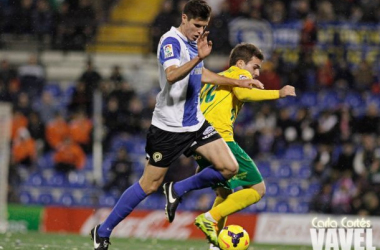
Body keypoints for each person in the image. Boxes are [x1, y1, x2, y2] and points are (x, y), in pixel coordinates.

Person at [90, 1, 263, 249]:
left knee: (229, 167)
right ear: (184, 18)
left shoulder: (194, 43)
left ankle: (177, 188)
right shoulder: (170, 42)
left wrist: (237, 83)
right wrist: (198, 58)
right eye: (196, 25)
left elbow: (201, 75)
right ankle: (103, 231)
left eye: (204, 26)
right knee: (148, 184)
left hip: (195, 123)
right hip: (168, 128)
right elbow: (172, 75)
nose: (199, 31)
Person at [191, 43, 295, 248]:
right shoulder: (237, 74)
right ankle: (209, 218)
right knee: (258, 188)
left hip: (198, 142)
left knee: (223, 194)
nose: (257, 73)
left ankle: (214, 244)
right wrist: (279, 93)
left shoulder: (214, 81)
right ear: (240, 63)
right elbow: (245, 93)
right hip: (220, 140)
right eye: (255, 67)